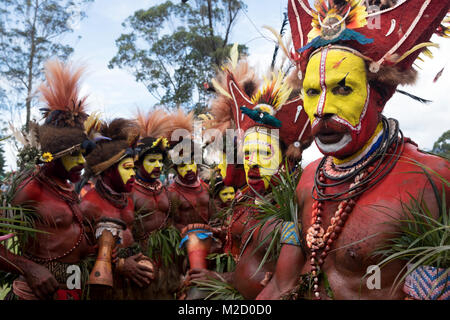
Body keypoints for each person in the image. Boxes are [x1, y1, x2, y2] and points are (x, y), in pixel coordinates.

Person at [257, 0, 449, 300]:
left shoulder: (429, 179)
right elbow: (284, 285)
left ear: (380, 96)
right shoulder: (309, 179)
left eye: (343, 89)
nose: (322, 109)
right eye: (312, 92)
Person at [186, 45, 312, 299]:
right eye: (247, 154)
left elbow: (286, 278)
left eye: (265, 154)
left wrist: (225, 277)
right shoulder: (247, 196)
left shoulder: (296, 209)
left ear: (287, 161)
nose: (252, 164)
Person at [0, 60, 96, 300]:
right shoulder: (29, 187)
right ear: (51, 157)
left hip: (73, 289)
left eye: (83, 153)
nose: (82, 161)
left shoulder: (66, 186)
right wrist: (29, 269)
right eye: (73, 155)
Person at [81, 117, 155, 299]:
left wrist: (140, 259)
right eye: (127, 168)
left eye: (133, 168)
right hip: (103, 287)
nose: (133, 173)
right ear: (108, 170)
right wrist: (121, 265)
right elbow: (79, 254)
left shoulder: (127, 199)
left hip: (130, 286)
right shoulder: (89, 204)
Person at [131, 108, 181, 299]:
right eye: (152, 160)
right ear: (138, 162)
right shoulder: (130, 192)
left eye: (160, 161)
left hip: (168, 260)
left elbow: (173, 222)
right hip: (142, 261)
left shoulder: (165, 190)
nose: (158, 166)